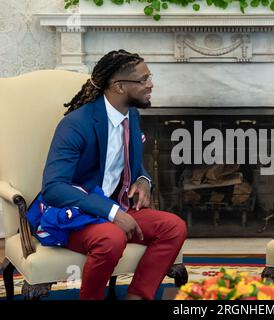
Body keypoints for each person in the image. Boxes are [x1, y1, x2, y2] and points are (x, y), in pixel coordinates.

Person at [41, 49, 187, 300]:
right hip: (76, 214)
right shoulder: (76, 125)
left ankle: (138, 296)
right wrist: (112, 213)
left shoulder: (131, 114)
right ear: (119, 86)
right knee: (111, 238)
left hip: (116, 206)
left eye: (149, 77)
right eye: (143, 80)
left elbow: (132, 163)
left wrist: (143, 180)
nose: (151, 84)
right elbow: (53, 188)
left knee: (173, 227)